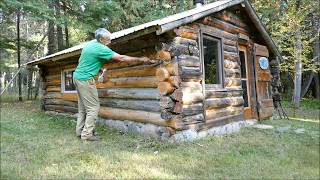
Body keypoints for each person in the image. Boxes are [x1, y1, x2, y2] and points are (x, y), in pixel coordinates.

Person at [73, 28, 152, 141]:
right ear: (100, 39)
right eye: (107, 40)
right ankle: (87, 135)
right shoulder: (101, 48)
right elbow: (121, 58)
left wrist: (98, 69)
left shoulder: (90, 44)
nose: (110, 42)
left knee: (83, 109)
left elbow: (84, 60)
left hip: (77, 77)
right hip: (85, 79)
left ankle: (80, 131)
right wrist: (141, 59)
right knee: (93, 108)